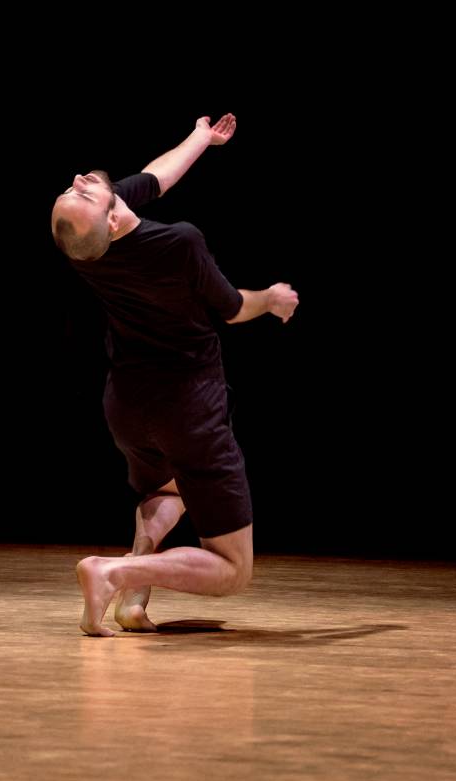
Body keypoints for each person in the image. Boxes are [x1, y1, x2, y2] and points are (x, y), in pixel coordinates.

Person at [51, 114, 299, 636]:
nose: (78, 180)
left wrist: (201, 139)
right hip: (188, 408)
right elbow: (233, 308)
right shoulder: (179, 244)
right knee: (232, 568)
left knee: (166, 492)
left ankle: (132, 602)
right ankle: (112, 572)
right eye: (86, 193)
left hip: (129, 407)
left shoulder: (88, 247)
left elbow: (152, 178)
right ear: (113, 221)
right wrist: (272, 300)